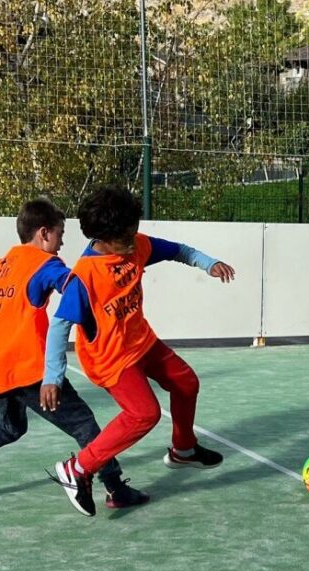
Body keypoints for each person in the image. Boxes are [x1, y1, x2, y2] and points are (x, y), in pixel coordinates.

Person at [0, 198, 147, 509]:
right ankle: (115, 488)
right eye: (60, 233)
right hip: (27, 368)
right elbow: (78, 288)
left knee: (10, 426)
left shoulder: (0, 267)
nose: (62, 242)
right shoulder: (46, 264)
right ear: (44, 233)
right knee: (83, 423)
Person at [43, 186, 236, 517]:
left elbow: (179, 250)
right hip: (110, 358)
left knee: (186, 382)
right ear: (104, 238)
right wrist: (52, 377)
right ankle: (78, 468)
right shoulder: (85, 277)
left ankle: (184, 450)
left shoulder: (137, 245)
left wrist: (209, 263)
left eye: (135, 230)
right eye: (126, 236)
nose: (133, 240)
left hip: (140, 341)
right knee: (144, 414)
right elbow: (60, 326)